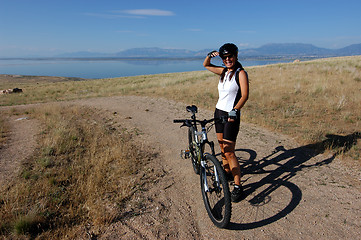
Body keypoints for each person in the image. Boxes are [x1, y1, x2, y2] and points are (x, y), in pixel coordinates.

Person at [203, 43, 249, 202]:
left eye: (230, 56)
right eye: (225, 57)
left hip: (231, 115)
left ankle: (238, 186)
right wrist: (210, 55)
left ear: (236, 56)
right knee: (222, 146)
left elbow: (244, 95)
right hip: (219, 112)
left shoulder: (240, 73)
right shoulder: (223, 71)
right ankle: (227, 173)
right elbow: (206, 65)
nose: (228, 59)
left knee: (229, 151)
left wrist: (235, 110)